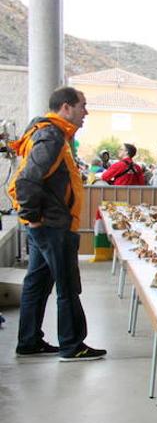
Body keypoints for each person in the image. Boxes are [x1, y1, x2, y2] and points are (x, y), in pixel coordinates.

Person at [8, 86, 105, 361]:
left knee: (37, 283)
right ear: (66, 107)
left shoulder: (52, 133)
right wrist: (34, 219)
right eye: (82, 105)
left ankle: (29, 341)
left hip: (47, 224)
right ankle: (72, 345)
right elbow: (27, 181)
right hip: (52, 226)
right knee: (67, 285)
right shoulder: (51, 135)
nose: (85, 112)